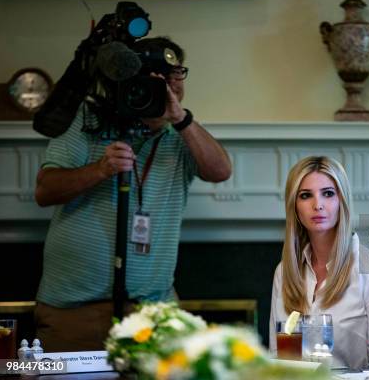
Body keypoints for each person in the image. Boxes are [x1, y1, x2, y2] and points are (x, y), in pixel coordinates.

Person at [34, 36, 232, 352]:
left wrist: (181, 119)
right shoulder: (86, 122)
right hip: (74, 310)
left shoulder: (181, 135)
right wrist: (100, 169)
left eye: (175, 75)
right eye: (156, 78)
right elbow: (45, 190)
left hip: (153, 311)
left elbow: (220, 171)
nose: (167, 85)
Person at [269, 156, 369, 370]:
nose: (318, 205)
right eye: (305, 196)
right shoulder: (284, 271)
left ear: (342, 201)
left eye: (328, 193)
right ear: (294, 206)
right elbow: (278, 358)